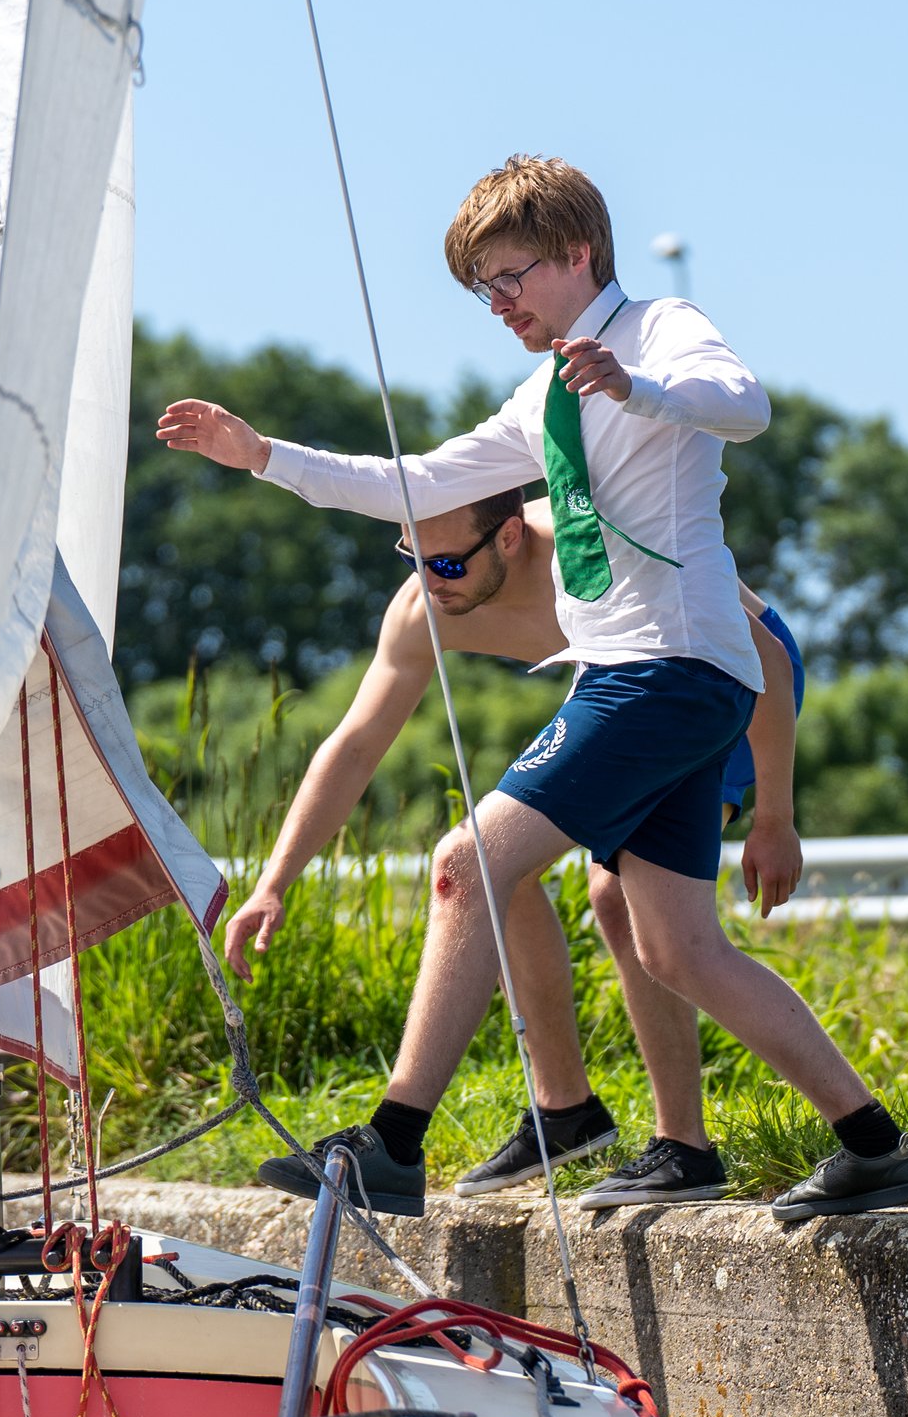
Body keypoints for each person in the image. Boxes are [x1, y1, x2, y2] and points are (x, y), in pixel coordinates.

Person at [157, 154, 908, 1221]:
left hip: (666, 671)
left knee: (464, 863)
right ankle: (878, 1149)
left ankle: (393, 1142)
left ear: (578, 253)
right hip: (647, 675)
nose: (499, 304)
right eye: (482, 290)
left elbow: (745, 405)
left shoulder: (657, 330)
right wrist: (262, 455)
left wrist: (638, 388)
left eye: (510, 276)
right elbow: (414, 482)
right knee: (676, 945)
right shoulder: (537, 397)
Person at [215, 489, 806, 1210]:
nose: (429, 582)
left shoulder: (595, 544)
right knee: (503, 862)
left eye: (445, 564)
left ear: (510, 537)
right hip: (610, 675)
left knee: (615, 894)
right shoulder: (423, 607)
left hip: (721, 672)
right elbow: (356, 744)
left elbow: (764, 654)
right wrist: (275, 881)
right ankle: (566, 1112)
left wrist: (776, 816)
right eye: (412, 558)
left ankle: (683, 1143)